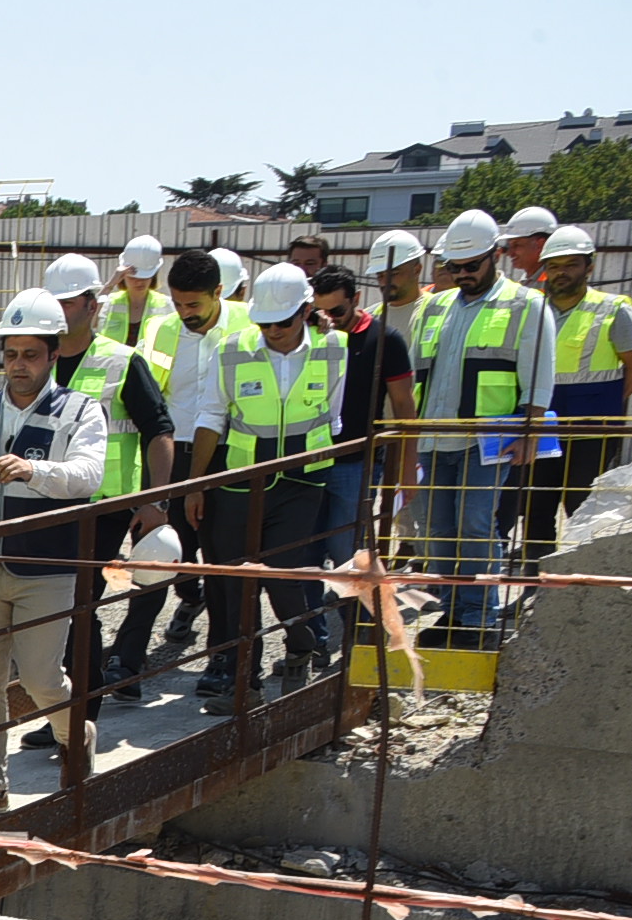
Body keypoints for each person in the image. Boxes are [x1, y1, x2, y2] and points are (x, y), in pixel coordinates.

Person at [0, 290, 108, 821]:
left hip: (46, 569)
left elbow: (89, 476)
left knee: (41, 679)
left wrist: (36, 471)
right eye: (11, 354)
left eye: (30, 354)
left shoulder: (81, 410)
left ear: (53, 355)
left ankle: (74, 734)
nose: (19, 365)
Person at [192, 262, 344, 703]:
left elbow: (331, 417)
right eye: (264, 322)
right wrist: (196, 483)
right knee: (240, 583)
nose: (273, 331)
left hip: (302, 484)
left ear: (304, 312)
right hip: (242, 483)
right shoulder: (232, 349)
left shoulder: (335, 349)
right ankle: (245, 681)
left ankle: (301, 642)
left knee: (281, 576)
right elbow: (211, 416)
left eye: (283, 322)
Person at [39, 250, 176, 717]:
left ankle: (82, 713)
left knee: (77, 606)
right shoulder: (36, 361)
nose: (60, 313)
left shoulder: (122, 362)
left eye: (70, 303)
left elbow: (159, 430)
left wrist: (156, 501)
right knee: (54, 611)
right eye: (54, 303)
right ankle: (67, 711)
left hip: (104, 505)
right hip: (46, 502)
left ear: (93, 306)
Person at [414, 208, 558, 643]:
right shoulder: (434, 306)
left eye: (470, 265)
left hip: (487, 441)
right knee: (437, 527)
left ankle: (479, 617)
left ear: (494, 255)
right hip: (432, 436)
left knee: (475, 524)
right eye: (452, 267)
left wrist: (530, 433)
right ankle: (453, 609)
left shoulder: (525, 304)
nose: (462, 274)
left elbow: (539, 379)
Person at [109, 247, 237, 681]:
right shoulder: (161, 330)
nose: (185, 313)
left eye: (194, 305)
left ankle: (223, 657)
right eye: (179, 303)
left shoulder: (247, 325)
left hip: (226, 457)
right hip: (168, 452)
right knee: (154, 554)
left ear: (219, 292)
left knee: (221, 562)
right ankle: (127, 660)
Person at [514, 224, 632, 568]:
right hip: (543, 428)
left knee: (582, 505)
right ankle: (534, 581)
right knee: (536, 506)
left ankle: (577, 578)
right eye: (555, 266)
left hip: (593, 430)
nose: (561, 273)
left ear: (589, 267)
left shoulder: (614, 309)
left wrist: (612, 402)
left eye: (571, 265)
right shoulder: (531, 309)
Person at [311, 263, 420, 652]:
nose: (328, 321)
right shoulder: (309, 337)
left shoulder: (384, 339)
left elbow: (405, 405)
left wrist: (408, 469)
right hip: (308, 462)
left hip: (353, 462)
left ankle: (359, 633)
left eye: (336, 312)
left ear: (356, 300)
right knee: (306, 556)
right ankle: (311, 643)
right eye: (318, 312)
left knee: (346, 554)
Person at [99, 234, 178, 374]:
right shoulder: (110, 302)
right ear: (123, 274)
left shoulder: (167, 306)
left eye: (145, 276)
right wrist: (109, 285)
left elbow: (174, 349)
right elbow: (87, 322)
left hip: (151, 380)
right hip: (112, 379)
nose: (139, 282)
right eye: (133, 276)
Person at [368, 228, 431, 349]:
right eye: (380, 275)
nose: (385, 282)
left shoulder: (438, 311)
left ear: (417, 270)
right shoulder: (370, 317)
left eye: (393, 274)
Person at [500, 204, 557, 287]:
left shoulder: (555, 284)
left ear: (540, 244)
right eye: (509, 246)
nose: (510, 253)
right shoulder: (527, 281)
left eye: (516, 245)